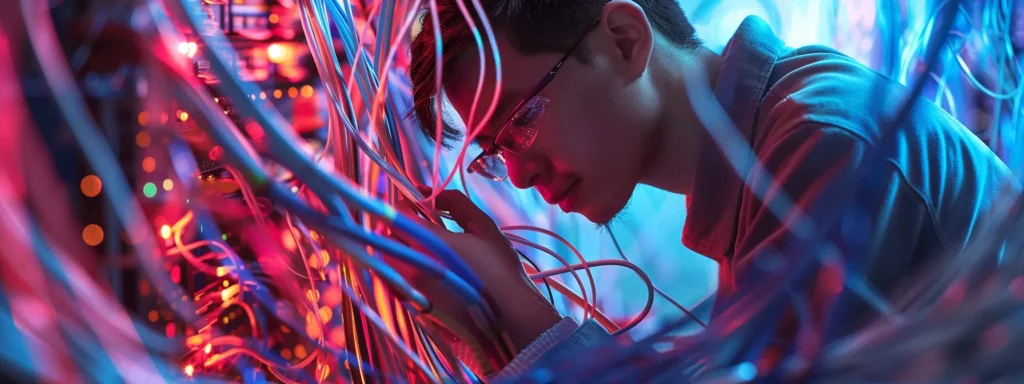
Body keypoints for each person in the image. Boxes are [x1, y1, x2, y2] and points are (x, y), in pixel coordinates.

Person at [393, 0, 1021, 380]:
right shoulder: (769, 156)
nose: (522, 177)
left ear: (624, 38)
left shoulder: (825, 142)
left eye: (521, 120)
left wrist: (520, 319)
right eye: (496, 155)